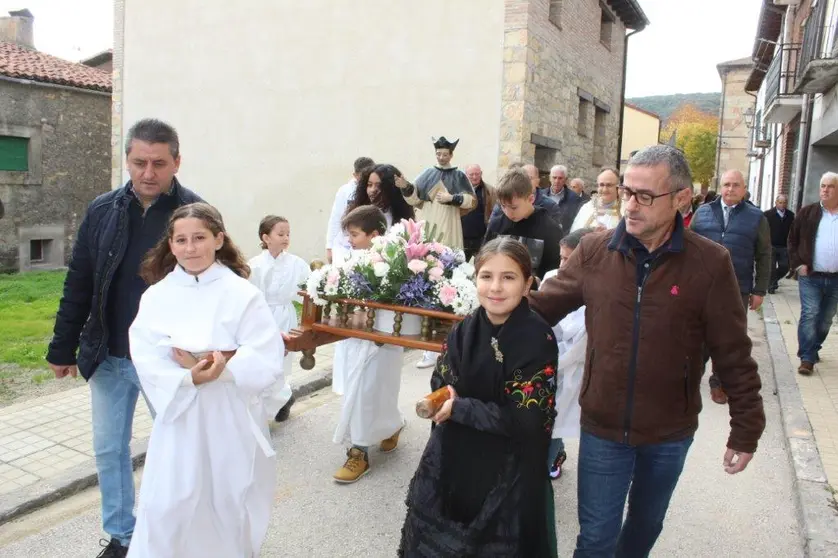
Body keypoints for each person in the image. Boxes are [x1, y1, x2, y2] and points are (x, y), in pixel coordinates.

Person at [529, 145, 766, 557]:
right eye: (626, 192)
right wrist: (481, 320)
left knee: (644, 527)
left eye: (644, 195)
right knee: (596, 539)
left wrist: (747, 428)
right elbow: (540, 310)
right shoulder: (594, 252)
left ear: (681, 198)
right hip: (604, 425)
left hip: (669, 431)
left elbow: (733, 351)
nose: (630, 205)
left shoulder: (710, 264)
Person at [45, 119, 202, 558]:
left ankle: (181, 532)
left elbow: (214, 287)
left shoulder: (194, 213)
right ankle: (122, 536)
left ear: (176, 162)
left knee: (180, 450)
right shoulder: (102, 209)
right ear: (127, 160)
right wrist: (62, 347)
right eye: (138, 162)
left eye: (158, 163)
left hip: (168, 362)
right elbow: (80, 281)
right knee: (109, 450)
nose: (147, 173)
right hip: (109, 355)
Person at [126, 203, 282, 557]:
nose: (190, 247)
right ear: (170, 244)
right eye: (180, 240)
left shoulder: (242, 293)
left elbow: (265, 350)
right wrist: (186, 378)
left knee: (225, 496)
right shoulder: (158, 295)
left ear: (218, 239)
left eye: (199, 238)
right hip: (181, 413)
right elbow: (146, 352)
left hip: (227, 410)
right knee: (170, 500)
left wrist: (222, 368)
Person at [399, 237, 559, 557]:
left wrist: (460, 407)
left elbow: (526, 420)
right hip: (456, 457)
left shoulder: (536, 339)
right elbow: (442, 379)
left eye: (509, 277)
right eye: (486, 276)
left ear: (528, 283)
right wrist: (446, 395)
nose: (496, 287)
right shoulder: (466, 328)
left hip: (508, 473)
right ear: (475, 279)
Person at [331, 205, 406, 483]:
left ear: (374, 235)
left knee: (378, 391)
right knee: (360, 392)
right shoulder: (350, 261)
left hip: (382, 339)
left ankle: (373, 440)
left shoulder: (396, 262)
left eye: (355, 234)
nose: (350, 240)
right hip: (355, 338)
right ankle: (365, 444)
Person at [690, 170, 771, 404]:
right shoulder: (703, 213)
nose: (730, 189)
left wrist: (759, 290)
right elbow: (689, 248)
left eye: (736, 185)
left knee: (728, 338)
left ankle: (719, 382)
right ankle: (691, 378)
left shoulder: (757, 218)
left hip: (738, 287)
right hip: (703, 287)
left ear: (744, 189)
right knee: (698, 335)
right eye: (726, 184)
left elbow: (764, 255)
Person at [541, 227, 595, 480]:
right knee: (542, 419)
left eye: (568, 259)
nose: (562, 265)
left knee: (555, 420)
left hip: (568, 364)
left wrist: (544, 362)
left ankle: (548, 463)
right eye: (560, 257)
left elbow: (578, 348)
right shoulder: (552, 277)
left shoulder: (596, 293)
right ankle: (556, 452)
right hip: (544, 358)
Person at [248, 215, 311, 422]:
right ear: (266, 238)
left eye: (288, 234)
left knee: (281, 363)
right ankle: (283, 398)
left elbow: (307, 290)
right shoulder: (254, 265)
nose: (285, 238)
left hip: (285, 316)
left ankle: (281, 399)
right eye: (280, 234)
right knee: (264, 363)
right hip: (262, 317)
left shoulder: (296, 263)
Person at [788, 171, 838, 375]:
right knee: (810, 313)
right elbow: (792, 240)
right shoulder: (807, 213)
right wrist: (798, 264)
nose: (825, 190)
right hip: (811, 276)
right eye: (823, 186)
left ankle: (814, 346)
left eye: (830, 186)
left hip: (835, 278)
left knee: (826, 318)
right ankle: (806, 358)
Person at [397, 136, 475, 249]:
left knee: (448, 252)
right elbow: (414, 199)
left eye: (445, 154)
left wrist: (452, 198)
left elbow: (471, 201)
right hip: (428, 221)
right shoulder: (427, 173)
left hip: (449, 223)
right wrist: (405, 186)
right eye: (438, 154)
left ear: (451, 155)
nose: (441, 157)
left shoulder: (458, 176)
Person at [484, 168, 563, 280]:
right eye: (503, 206)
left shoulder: (551, 230)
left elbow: (552, 273)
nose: (508, 213)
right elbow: (485, 259)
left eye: (514, 207)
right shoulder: (497, 224)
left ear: (531, 199)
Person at [326, 157, 375, 264]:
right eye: (363, 176)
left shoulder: (376, 189)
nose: (367, 180)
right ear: (355, 175)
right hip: (347, 244)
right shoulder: (345, 191)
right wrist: (329, 247)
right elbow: (336, 218)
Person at [460, 163, 496, 261]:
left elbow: (494, 213)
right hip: (461, 237)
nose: (474, 177)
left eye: (477, 174)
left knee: (480, 264)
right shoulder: (458, 190)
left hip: (481, 238)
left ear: (481, 174)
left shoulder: (490, 191)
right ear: (465, 175)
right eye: (471, 174)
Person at [764, 194, 795, 293]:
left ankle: (771, 281)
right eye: (780, 202)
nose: (782, 205)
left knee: (785, 266)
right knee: (771, 267)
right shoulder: (768, 214)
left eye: (784, 202)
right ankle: (771, 286)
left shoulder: (790, 215)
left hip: (784, 246)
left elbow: (793, 230)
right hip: (771, 245)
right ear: (776, 203)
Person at [548, 164, 585, 235]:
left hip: (562, 240)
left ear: (565, 180)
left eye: (560, 178)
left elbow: (576, 222)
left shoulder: (575, 199)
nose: (557, 181)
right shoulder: (541, 195)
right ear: (550, 178)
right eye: (554, 177)